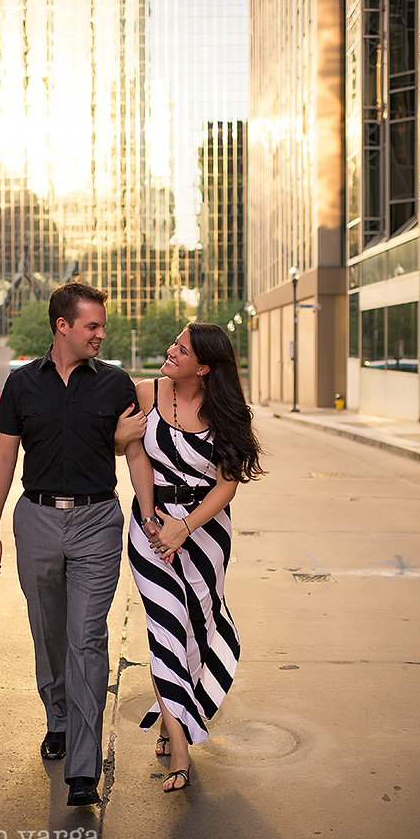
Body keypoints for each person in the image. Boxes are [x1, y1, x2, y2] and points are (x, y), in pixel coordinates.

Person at [0, 282, 159, 807]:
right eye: (93, 326)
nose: (101, 334)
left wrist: (149, 517)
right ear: (63, 326)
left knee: (86, 637)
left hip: (97, 521)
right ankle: (57, 715)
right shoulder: (22, 386)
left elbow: (135, 454)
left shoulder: (115, 384)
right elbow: (3, 457)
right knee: (48, 630)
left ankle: (83, 766)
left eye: (101, 326)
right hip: (35, 518)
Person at [127, 322, 265, 793]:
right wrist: (152, 521)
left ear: (204, 367)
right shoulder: (146, 393)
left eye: (181, 349)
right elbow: (136, 456)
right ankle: (181, 748)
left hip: (205, 533)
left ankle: (174, 716)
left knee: (198, 627)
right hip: (150, 526)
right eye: (174, 343)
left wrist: (185, 528)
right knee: (166, 627)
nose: (170, 350)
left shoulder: (228, 412)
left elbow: (227, 484)